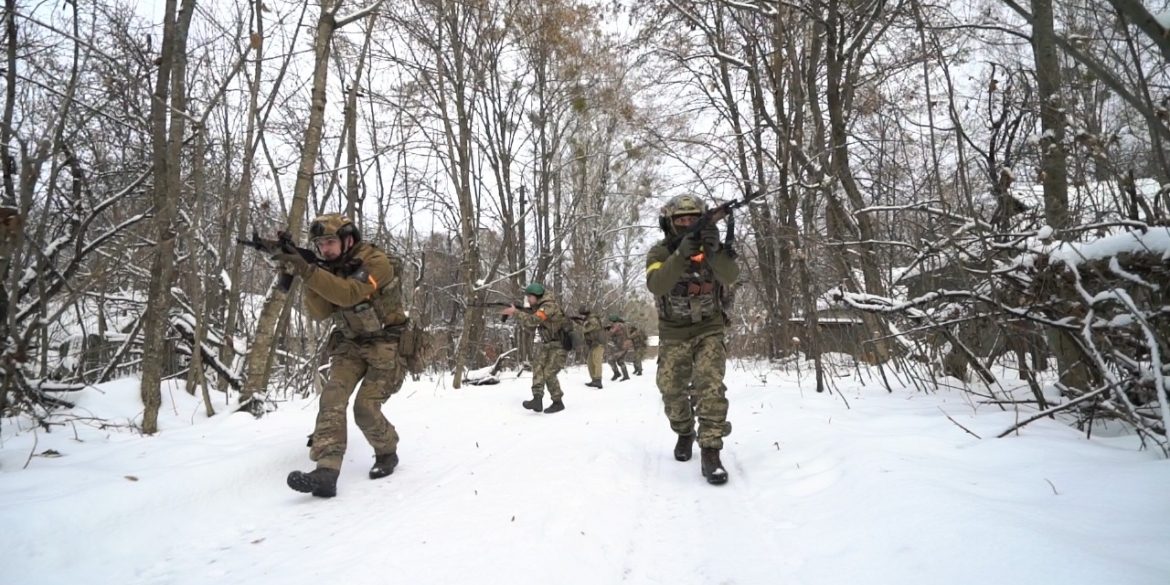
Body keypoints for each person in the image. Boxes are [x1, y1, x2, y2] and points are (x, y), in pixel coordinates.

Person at [276, 214, 408, 498]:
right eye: (320, 244)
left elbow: (350, 294)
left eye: (330, 242)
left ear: (349, 239)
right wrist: (307, 271)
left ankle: (387, 450)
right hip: (349, 345)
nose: (325, 249)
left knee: (365, 408)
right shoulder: (328, 268)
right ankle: (326, 471)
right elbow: (320, 312)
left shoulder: (376, 262)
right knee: (332, 396)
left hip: (386, 346)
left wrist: (310, 271)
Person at [645, 195, 739, 485]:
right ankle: (685, 432)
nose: (687, 224)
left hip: (709, 327)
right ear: (670, 223)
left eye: (692, 219)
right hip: (673, 331)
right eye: (681, 220)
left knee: (709, 384)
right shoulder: (659, 252)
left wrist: (712, 251)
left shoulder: (711, 247)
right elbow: (657, 284)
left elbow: (731, 274)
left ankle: (711, 450)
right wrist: (680, 255)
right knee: (671, 390)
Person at [503, 283, 569, 413]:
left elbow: (533, 321)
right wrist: (517, 313)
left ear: (537, 296)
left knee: (549, 373)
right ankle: (537, 399)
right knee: (538, 367)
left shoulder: (549, 306)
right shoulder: (539, 308)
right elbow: (530, 326)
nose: (528, 299)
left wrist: (515, 312)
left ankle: (558, 402)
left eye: (530, 296)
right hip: (547, 344)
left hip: (559, 345)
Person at [577, 306, 606, 388]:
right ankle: (594, 379)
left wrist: (576, 323)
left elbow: (584, 329)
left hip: (599, 343)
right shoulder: (588, 320)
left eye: (581, 315)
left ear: (584, 314)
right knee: (590, 362)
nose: (580, 317)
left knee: (596, 360)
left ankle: (598, 380)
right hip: (593, 344)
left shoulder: (593, 320)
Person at [605, 314, 631, 382]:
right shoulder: (623, 325)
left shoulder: (617, 325)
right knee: (620, 360)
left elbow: (612, 333)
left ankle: (617, 373)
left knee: (610, 360)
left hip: (622, 345)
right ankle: (626, 375)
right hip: (625, 345)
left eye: (610, 321)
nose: (610, 322)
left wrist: (607, 330)